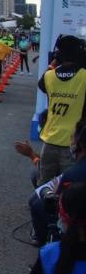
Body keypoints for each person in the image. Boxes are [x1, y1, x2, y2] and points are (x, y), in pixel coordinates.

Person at [36, 36, 86, 184]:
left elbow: (41, 85)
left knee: (45, 185)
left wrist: (53, 64)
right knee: (70, 187)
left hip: (50, 140)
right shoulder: (84, 76)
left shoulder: (49, 76)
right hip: (73, 143)